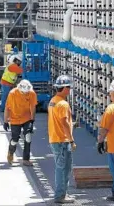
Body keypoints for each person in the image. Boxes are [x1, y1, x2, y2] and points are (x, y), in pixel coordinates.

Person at [47, 75, 76, 204]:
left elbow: (59, 121)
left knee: (62, 167)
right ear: (63, 88)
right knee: (63, 168)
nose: (69, 90)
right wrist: (71, 140)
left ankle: (62, 194)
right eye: (68, 87)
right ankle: (60, 196)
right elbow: (64, 122)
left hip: (55, 138)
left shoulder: (53, 101)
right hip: (62, 140)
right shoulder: (63, 104)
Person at [3, 79, 37, 166]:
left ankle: (26, 159)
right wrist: (5, 121)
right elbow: (7, 108)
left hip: (27, 118)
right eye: (24, 93)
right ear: (19, 89)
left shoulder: (31, 93)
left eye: (27, 92)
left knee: (28, 137)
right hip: (15, 119)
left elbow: (33, 107)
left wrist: (32, 120)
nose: (25, 94)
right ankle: (11, 152)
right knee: (15, 140)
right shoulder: (12, 94)